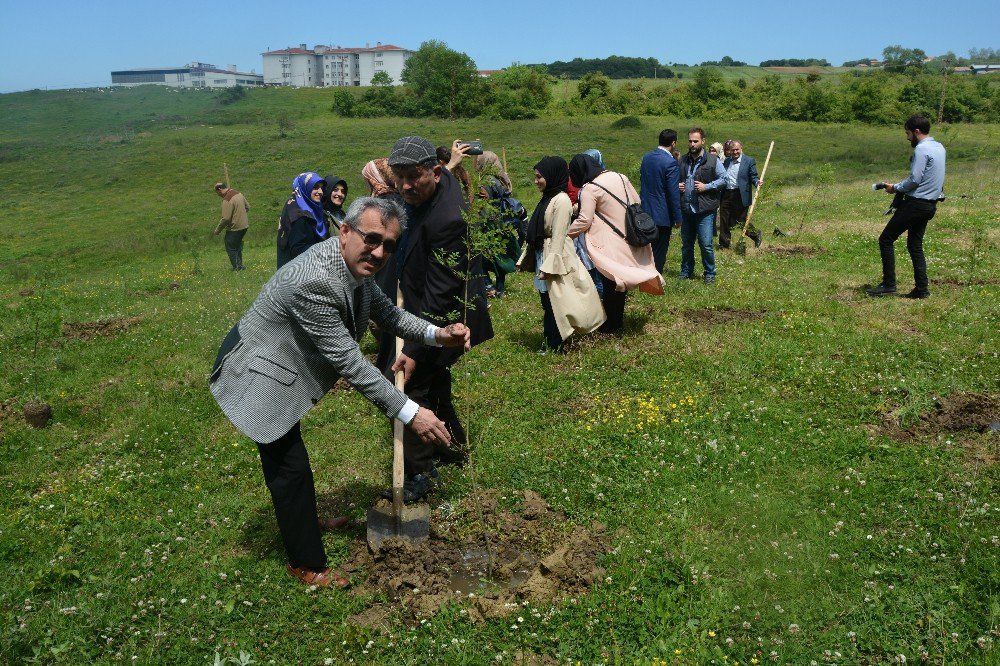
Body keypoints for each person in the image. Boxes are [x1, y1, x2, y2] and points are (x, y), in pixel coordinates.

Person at [209, 197, 472, 588]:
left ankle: (303, 518)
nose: (379, 252)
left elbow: (390, 315)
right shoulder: (314, 280)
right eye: (371, 238)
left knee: (292, 459)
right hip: (257, 372)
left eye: (389, 245)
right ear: (344, 231)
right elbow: (351, 364)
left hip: (284, 364)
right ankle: (306, 564)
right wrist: (412, 412)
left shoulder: (354, 268)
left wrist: (438, 335)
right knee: (289, 468)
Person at [387, 135, 494, 502]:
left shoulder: (449, 218)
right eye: (397, 177)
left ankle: (420, 472)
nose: (403, 186)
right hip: (425, 302)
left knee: (410, 388)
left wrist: (415, 347)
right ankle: (454, 449)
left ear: (433, 172)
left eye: (411, 178)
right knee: (434, 381)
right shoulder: (439, 181)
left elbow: (442, 294)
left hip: (449, 316)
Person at [568, 154, 664, 333]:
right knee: (620, 282)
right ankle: (616, 322)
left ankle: (611, 324)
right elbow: (636, 201)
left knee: (610, 281)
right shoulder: (620, 176)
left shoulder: (590, 188)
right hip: (631, 234)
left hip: (610, 241)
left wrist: (565, 236)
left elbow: (584, 220)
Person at [518, 156, 605, 352]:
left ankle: (554, 344)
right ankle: (553, 340)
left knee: (555, 303)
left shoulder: (562, 200)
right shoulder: (548, 197)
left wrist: (551, 266)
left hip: (556, 256)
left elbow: (558, 235)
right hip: (545, 253)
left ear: (551, 175)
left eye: (539, 177)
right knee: (548, 302)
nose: (536, 181)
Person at [867, 114, 946, 299]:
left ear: (916, 131)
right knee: (915, 245)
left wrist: (895, 188)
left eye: (908, 133)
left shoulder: (921, 149)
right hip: (929, 205)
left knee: (885, 239)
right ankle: (921, 289)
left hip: (916, 204)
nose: (907, 137)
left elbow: (915, 179)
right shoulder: (940, 148)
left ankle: (888, 285)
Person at [678, 128, 726, 284]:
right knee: (686, 244)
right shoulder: (683, 160)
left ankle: (710, 273)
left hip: (705, 209)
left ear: (703, 141)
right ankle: (686, 271)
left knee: (705, 244)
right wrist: (677, 185)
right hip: (686, 208)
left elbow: (724, 179)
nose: (692, 144)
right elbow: (675, 179)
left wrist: (707, 186)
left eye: (695, 141)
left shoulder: (713, 160)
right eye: (690, 141)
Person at [640, 129, 684, 274]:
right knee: (659, 249)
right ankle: (655, 278)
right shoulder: (670, 162)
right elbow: (673, 193)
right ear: (673, 143)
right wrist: (678, 217)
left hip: (645, 209)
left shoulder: (647, 157)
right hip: (662, 213)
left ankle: (643, 273)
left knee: (647, 248)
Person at [276, 172, 328, 269]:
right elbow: (297, 249)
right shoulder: (298, 214)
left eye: (322, 188)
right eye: (315, 187)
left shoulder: (309, 208)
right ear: (305, 188)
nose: (320, 191)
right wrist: (326, 249)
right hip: (296, 273)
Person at [719, 140, 763, 249]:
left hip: (740, 194)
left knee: (741, 220)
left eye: (737, 149)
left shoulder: (748, 161)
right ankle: (724, 244)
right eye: (732, 150)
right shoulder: (727, 161)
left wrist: (757, 181)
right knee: (724, 219)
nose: (735, 152)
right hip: (726, 193)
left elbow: (753, 176)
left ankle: (755, 235)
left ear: (741, 148)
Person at [213, 183, 250, 271]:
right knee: (237, 246)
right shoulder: (239, 194)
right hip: (244, 226)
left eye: (218, 193)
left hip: (235, 228)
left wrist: (217, 230)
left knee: (230, 246)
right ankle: (240, 265)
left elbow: (225, 218)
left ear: (219, 189)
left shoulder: (227, 199)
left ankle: (237, 267)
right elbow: (248, 207)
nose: (219, 196)